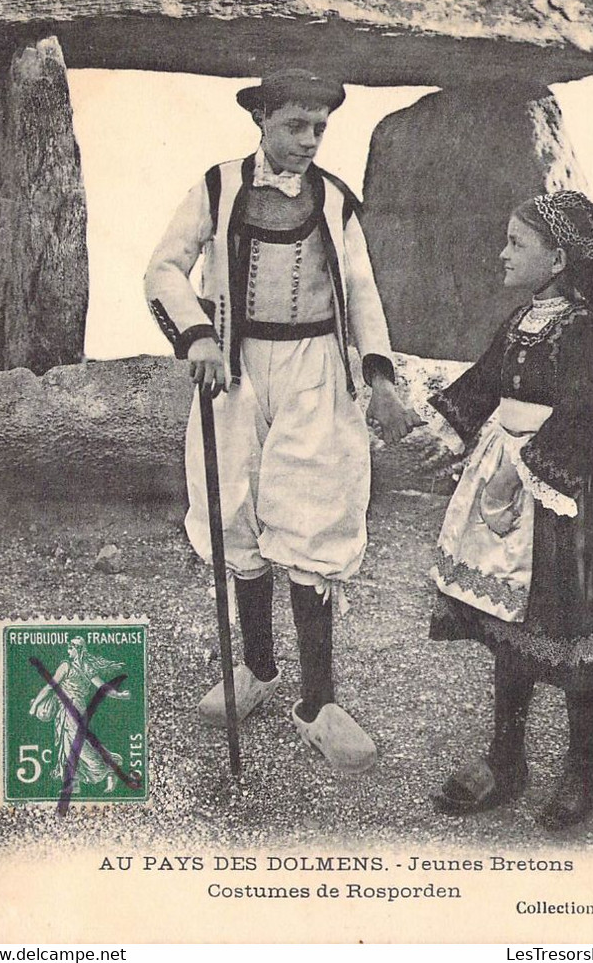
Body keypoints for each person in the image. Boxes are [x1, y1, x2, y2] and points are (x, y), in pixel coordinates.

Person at [144, 68, 421, 772]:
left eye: (319, 127)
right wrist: (196, 336)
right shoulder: (216, 187)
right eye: (294, 125)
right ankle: (257, 671)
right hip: (233, 372)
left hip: (314, 374)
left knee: (312, 516)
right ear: (261, 120)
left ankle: (318, 703)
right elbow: (164, 270)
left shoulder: (333, 200)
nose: (307, 140)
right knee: (234, 511)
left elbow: (360, 289)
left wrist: (380, 375)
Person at [426, 190, 593, 829]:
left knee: (569, 628)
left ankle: (583, 769)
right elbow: (486, 379)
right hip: (507, 475)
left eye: (517, 243)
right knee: (510, 620)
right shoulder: (523, 317)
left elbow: (583, 418)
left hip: (565, 492)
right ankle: (507, 759)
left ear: (558, 257)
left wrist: (515, 474)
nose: (502, 254)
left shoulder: (587, 334)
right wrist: (448, 431)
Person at [29, 637, 130, 795]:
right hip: (70, 708)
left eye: (71, 647)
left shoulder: (67, 666)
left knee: (80, 746)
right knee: (68, 744)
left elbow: (50, 687)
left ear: (79, 649)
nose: (68, 650)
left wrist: (35, 705)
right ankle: (72, 783)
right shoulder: (84, 667)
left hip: (73, 708)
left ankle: (110, 767)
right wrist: (119, 695)